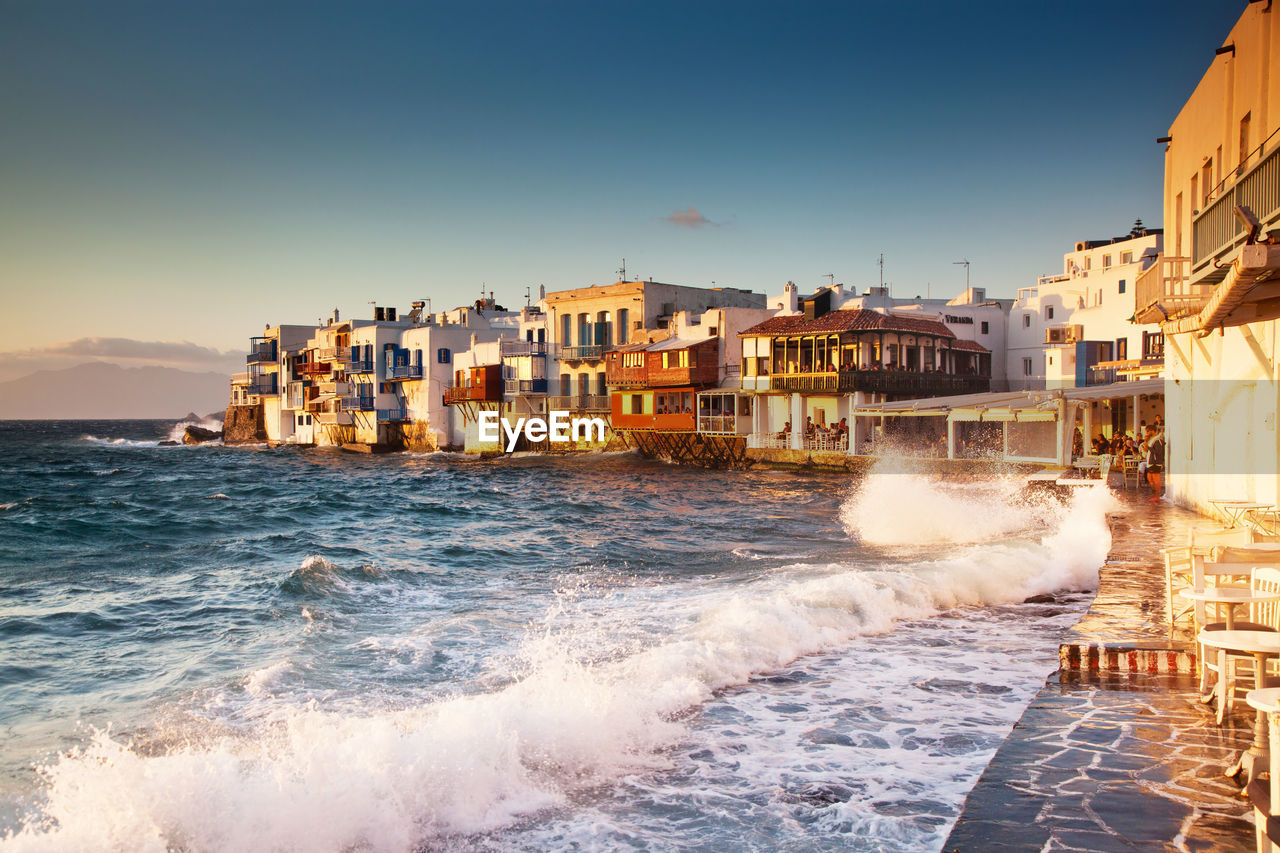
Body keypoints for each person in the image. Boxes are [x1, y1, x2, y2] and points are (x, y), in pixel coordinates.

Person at [1145, 425, 1166, 498]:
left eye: (1148, 431)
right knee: (1149, 478)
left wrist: (1149, 448)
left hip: (1155, 462)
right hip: (1151, 462)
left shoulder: (1158, 440)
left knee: (1156, 479)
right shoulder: (1152, 439)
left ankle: (1157, 496)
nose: (1147, 433)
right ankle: (1154, 494)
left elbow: (1158, 452)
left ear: (1152, 430)